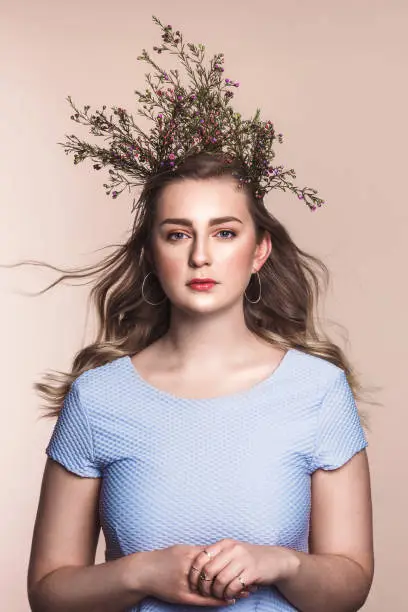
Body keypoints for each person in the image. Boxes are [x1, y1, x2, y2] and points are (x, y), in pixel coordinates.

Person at [27, 16, 374, 612]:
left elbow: (349, 586)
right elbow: (49, 593)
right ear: (151, 252)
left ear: (258, 249)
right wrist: (141, 573)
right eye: (177, 233)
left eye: (225, 231)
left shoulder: (318, 391)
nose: (201, 255)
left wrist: (279, 561)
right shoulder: (98, 398)